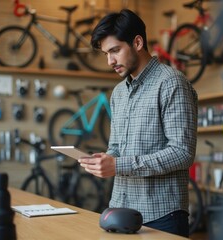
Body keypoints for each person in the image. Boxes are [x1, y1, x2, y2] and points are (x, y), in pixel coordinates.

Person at [79, 9, 197, 237]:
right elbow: (116, 148)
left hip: (162, 216)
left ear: (138, 42)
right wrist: (104, 160)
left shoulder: (172, 82)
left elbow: (183, 152)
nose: (110, 61)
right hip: (119, 209)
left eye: (115, 51)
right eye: (106, 54)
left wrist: (118, 166)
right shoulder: (118, 93)